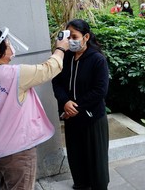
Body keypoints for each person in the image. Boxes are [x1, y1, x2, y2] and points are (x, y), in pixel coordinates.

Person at [0, 27, 69, 189]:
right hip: (16, 152)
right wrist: (60, 48)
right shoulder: (15, 74)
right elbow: (49, 69)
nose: (10, 46)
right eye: (7, 43)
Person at [52, 19, 109, 190]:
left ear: (86, 37)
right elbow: (57, 82)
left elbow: (100, 91)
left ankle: (98, 186)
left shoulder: (97, 59)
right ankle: (81, 184)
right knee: (76, 155)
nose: (70, 41)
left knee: (96, 158)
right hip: (71, 117)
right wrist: (65, 102)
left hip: (92, 118)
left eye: (74, 37)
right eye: (68, 37)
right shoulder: (66, 57)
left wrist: (74, 106)